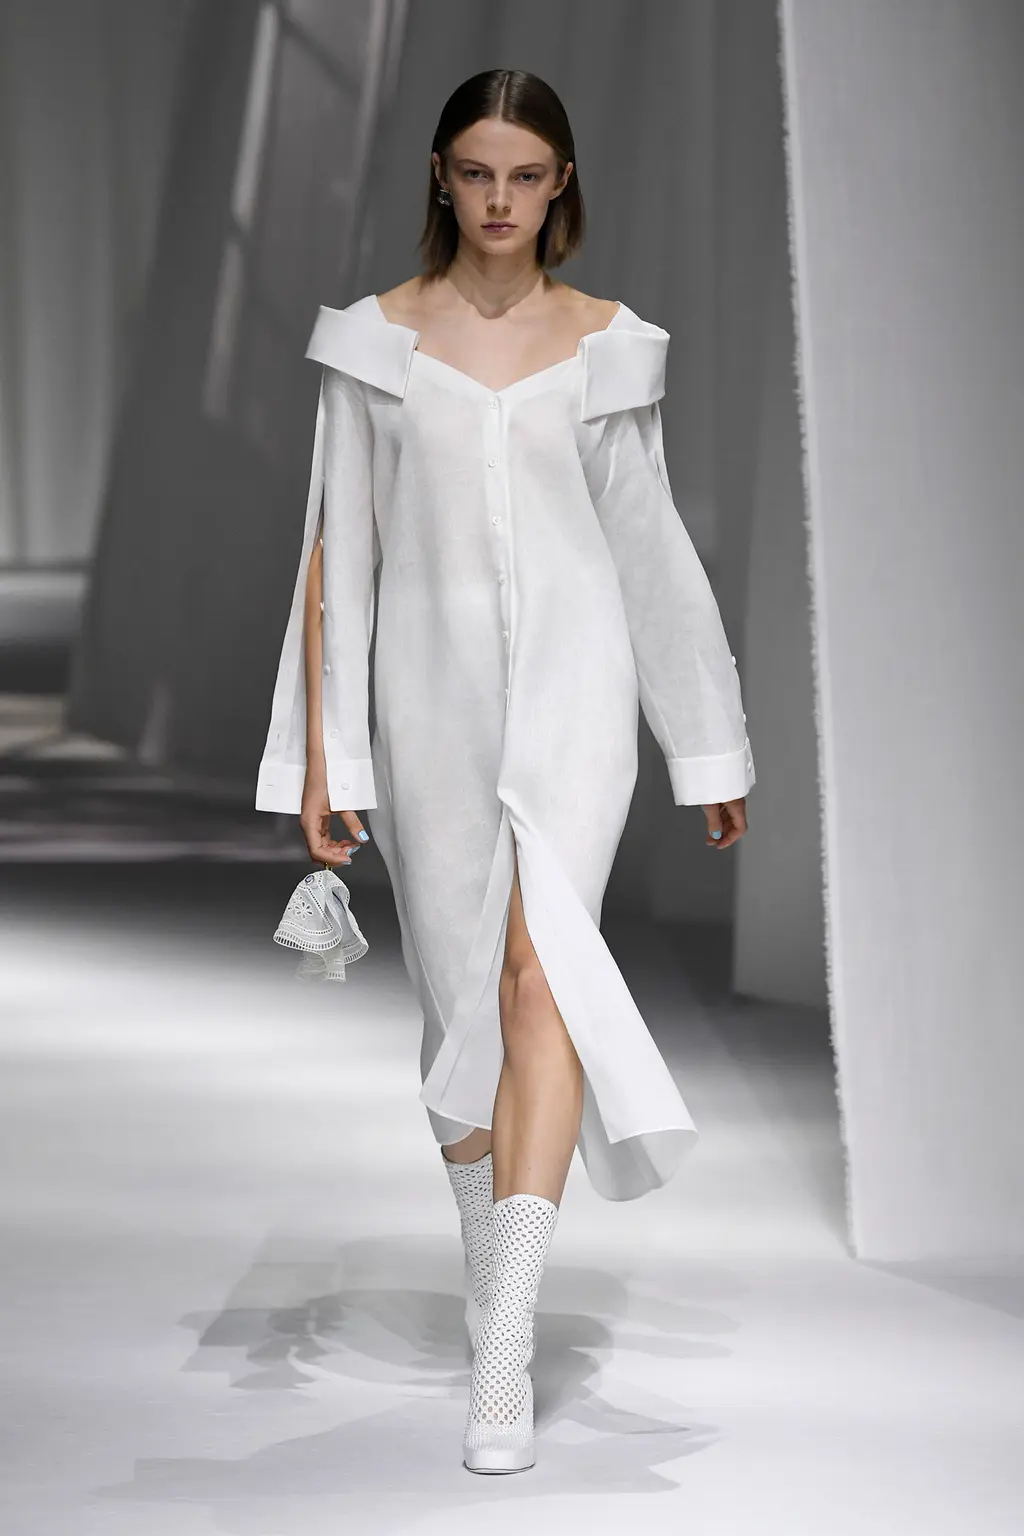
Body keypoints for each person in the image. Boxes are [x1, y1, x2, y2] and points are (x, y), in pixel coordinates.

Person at [255, 68, 754, 1475]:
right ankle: (490, 1263)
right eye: (477, 172)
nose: (499, 199)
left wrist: (702, 736)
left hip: (579, 694)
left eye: (525, 176)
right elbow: (335, 554)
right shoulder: (374, 343)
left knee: (544, 975)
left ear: (560, 185)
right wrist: (323, 757)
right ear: (440, 175)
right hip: (429, 704)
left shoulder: (606, 344)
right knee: (456, 1006)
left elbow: (648, 547)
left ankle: (506, 1350)